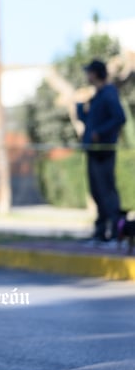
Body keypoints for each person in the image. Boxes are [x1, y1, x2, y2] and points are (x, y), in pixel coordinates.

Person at [77, 59, 126, 244]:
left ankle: (116, 234)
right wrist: (80, 107)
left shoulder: (108, 94)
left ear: (95, 74)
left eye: (89, 72)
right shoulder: (96, 96)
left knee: (107, 193)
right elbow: (89, 121)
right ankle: (100, 233)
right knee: (97, 192)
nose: (86, 76)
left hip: (104, 151)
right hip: (92, 150)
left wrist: (101, 133)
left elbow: (119, 118)